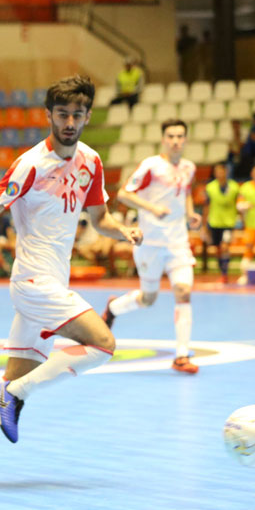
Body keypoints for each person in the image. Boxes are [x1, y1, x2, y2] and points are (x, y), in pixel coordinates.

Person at [0, 75, 142, 468]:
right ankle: (18, 394)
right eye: (62, 114)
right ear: (49, 115)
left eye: (77, 115)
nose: (69, 122)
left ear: (87, 116)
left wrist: (123, 231)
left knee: (8, 381)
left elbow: (100, 219)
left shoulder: (91, 162)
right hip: (32, 282)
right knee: (103, 344)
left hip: (50, 286)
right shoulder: (30, 165)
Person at [102, 118, 202, 374]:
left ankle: (181, 356)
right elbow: (124, 194)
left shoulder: (189, 167)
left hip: (178, 244)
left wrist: (190, 213)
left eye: (180, 136)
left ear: (186, 139)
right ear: (163, 139)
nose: (176, 141)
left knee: (183, 291)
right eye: (171, 136)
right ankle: (113, 308)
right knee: (148, 298)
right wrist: (152, 208)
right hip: (150, 245)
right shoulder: (151, 166)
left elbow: (186, 192)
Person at [202, 162, 240, 283]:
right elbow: (206, 206)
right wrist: (204, 224)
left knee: (225, 247)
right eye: (217, 171)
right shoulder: (210, 187)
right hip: (214, 222)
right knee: (218, 249)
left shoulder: (234, 187)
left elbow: (239, 203)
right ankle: (222, 270)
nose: (219, 174)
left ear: (226, 172)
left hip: (228, 223)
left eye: (221, 171)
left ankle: (225, 274)